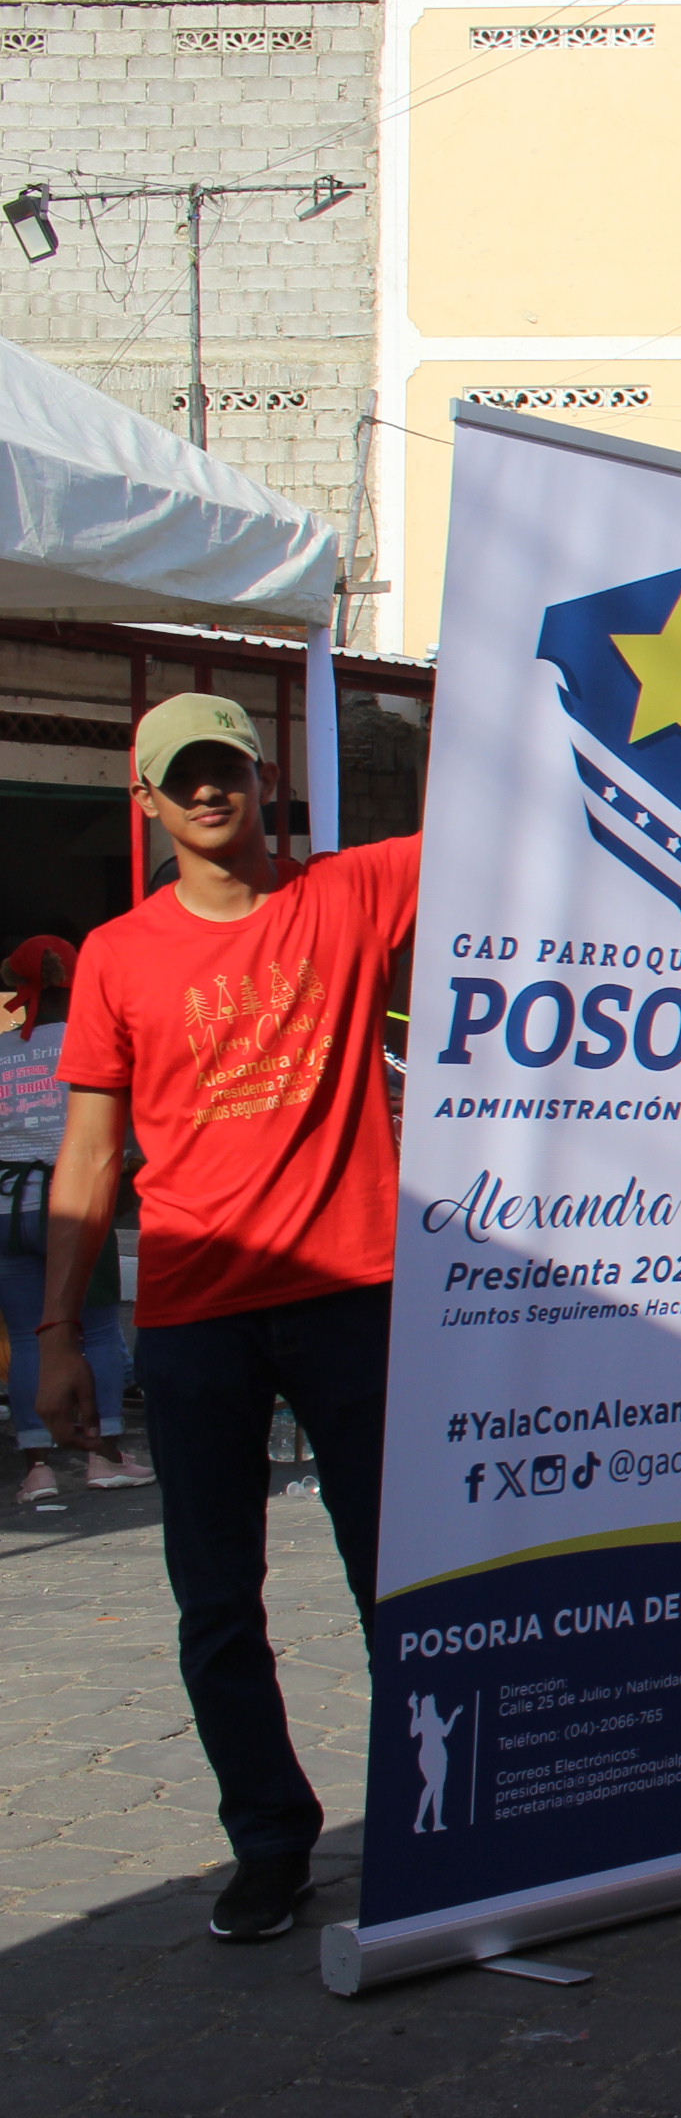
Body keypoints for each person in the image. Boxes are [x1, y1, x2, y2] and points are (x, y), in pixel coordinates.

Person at [32, 694, 420, 1943]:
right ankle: (269, 1840)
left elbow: (504, 824)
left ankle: (430, 1815)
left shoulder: (349, 896)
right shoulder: (117, 955)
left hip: (353, 1297)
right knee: (215, 1600)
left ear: (262, 780)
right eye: (182, 776)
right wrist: (57, 1336)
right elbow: (89, 1158)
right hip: (196, 1319)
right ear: (146, 800)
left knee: (398, 1583)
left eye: (227, 770)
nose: (209, 792)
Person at [4, 937, 149, 1507]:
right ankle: (103, 1456)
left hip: (6, 1208)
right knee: (100, 1330)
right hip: (71, 1204)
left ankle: (37, 1470)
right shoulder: (88, 1043)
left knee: (26, 1336)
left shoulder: (0, 1050)